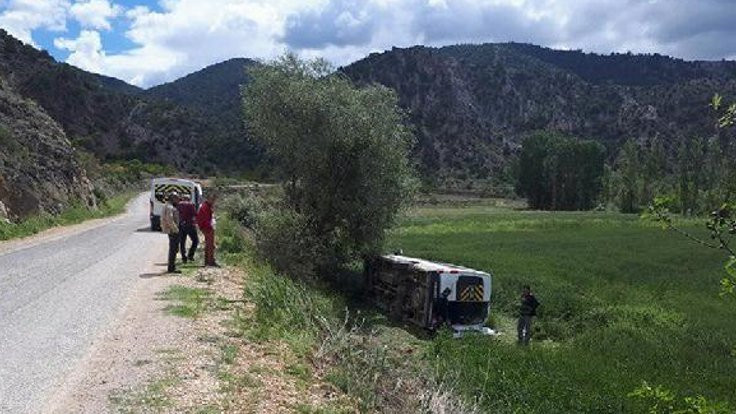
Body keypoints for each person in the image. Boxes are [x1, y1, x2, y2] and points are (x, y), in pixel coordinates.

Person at [160, 192, 181, 273]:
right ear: (172, 198)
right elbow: (170, 220)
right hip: (172, 231)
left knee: (174, 249)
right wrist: (176, 230)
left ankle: (172, 267)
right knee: (173, 249)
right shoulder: (169, 207)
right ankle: (171, 268)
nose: (178, 199)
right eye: (177, 198)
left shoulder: (169, 206)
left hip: (172, 230)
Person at [196, 193, 218, 267]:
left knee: (208, 245)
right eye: (213, 200)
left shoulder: (206, 206)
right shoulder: (205, 207)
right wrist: (210, 227)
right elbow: (206, 219)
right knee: (210, 245)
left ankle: (207, 261)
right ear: (209, 199)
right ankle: (210, 261)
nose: (214, 201)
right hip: (207, 228)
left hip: (206, 227)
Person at [177, 197, 199, 263]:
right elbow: (195, 214)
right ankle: (190, 255)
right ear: (189, 199)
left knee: (182, 242)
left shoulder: (179, 205)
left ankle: (184, 257)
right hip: (190, 225)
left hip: (181, 225)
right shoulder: (191, 205)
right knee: (195, 241)